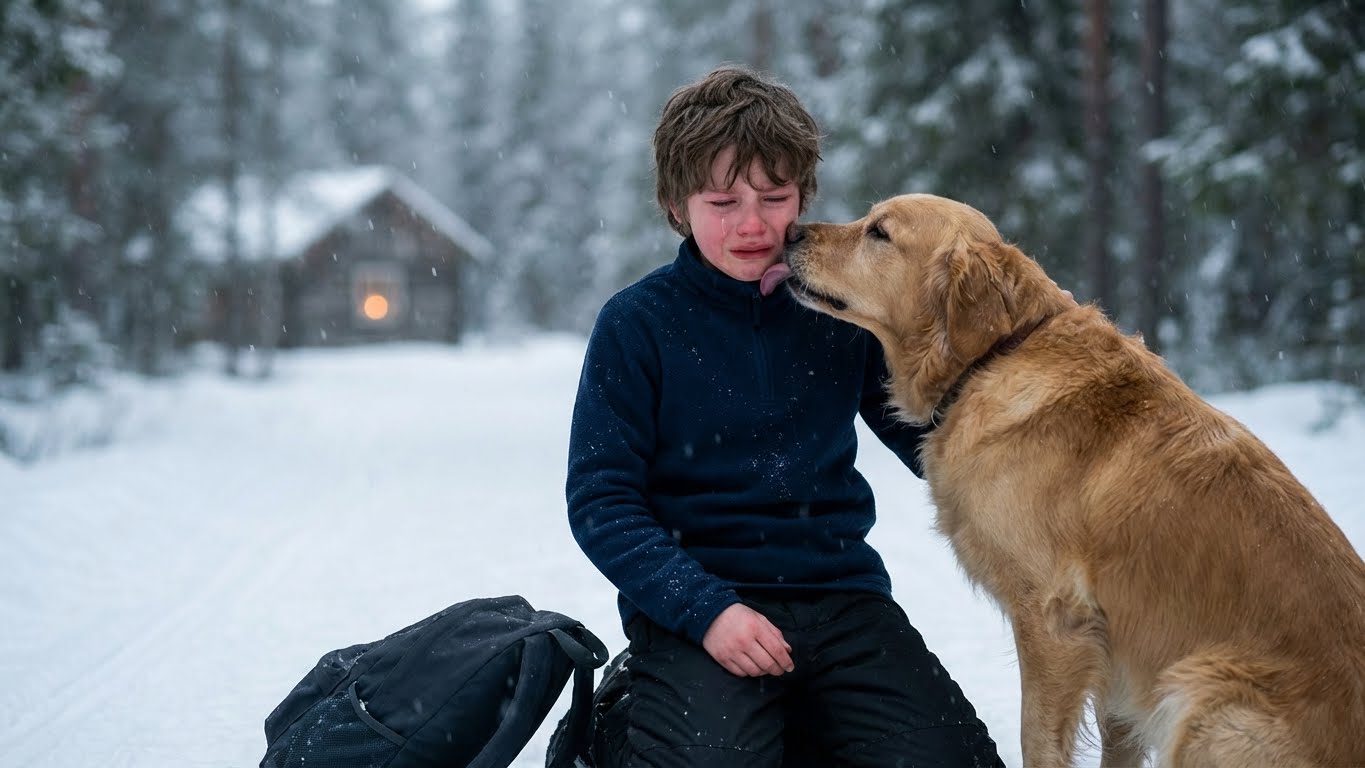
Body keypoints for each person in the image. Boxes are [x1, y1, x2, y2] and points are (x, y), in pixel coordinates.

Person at [565, 65, 1003, 767]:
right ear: (676, 206)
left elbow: (930, 441)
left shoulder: (842, 314)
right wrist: (706, 611)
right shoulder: (636, 324)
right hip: (698, 611)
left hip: (841, 600)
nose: (751, 224)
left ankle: (799, 721)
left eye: (774, 197)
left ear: (803, 196)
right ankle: (628, 718)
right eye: (721, 202)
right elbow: (600, 501)